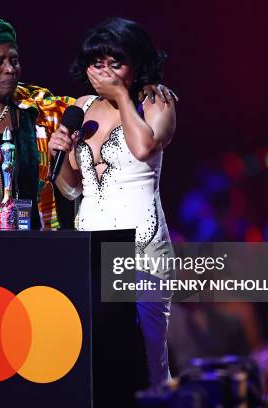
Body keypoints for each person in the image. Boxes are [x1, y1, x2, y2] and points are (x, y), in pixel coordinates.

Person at [0, 15, 175, 356]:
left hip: (43, 264)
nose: (10, 69)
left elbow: (104, 114)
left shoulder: (42, 110)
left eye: (15, 59)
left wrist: (142, 87)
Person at [48, 17, 177, 387]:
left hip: (142, 249)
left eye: (114, 63)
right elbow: (73, 188)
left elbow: (143, 147)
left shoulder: (156, 100)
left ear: (136, 64)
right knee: (95, 360)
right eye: (96, 62)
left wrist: (122, 96)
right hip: (90, 248)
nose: (103, 72)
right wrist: (61, 153)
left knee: (149, 359)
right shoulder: (82, 106)